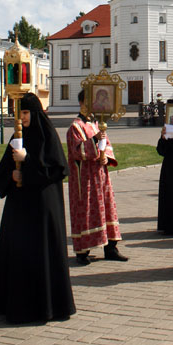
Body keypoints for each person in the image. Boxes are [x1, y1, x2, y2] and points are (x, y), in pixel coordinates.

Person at [0, 93, 75, 324]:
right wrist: (13, 174)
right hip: (19, 208)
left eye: (26, 113)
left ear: (35, 113)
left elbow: (55, 171)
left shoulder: (47, 136)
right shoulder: (17, 137)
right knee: (18, 252)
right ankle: (15, 304)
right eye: (20, 113)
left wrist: (26, 162)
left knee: (42, 253)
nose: (23, 118)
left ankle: (48, 306)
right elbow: (3, 169)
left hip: (42, 208)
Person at [66, 90, 128, 265]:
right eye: (87, 102)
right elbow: (77, 152)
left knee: (107, 208)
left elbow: (107, 145)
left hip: (101, 175)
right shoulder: (75, 127)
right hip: (84, 179)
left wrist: (106, 155)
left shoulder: (96, 124)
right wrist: (94, 142)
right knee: (86, 210)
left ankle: (111, 247)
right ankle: (82, 251)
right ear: (81, 103)